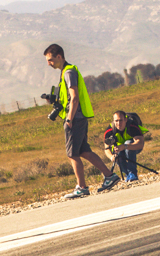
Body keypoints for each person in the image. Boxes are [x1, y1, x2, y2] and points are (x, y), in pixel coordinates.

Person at [44, 43, 119, 198]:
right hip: (79, 117)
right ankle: (109, 176)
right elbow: (68, 97)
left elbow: (75, 97)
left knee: (72, 154)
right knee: (84, 151)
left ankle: (82, 187)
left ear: (59, 56)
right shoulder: (67, 71)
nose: (49, 63)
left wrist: (69, 119)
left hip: (75, 119)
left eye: (50, 60)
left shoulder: (69, 72)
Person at [102, 110, 148, 182]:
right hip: (119, 150)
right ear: (113, 121)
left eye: (121, 120)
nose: (119, 123)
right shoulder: (109, 130)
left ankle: (133, 174)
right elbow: (106, 148)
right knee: (118, 156)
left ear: (126, 120)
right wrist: (112, 157)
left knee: (128, 143)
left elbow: (140, 144)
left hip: (132, 147)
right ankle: (127, 174)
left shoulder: (132, 126)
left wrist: (125, 146)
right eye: (116, 121)